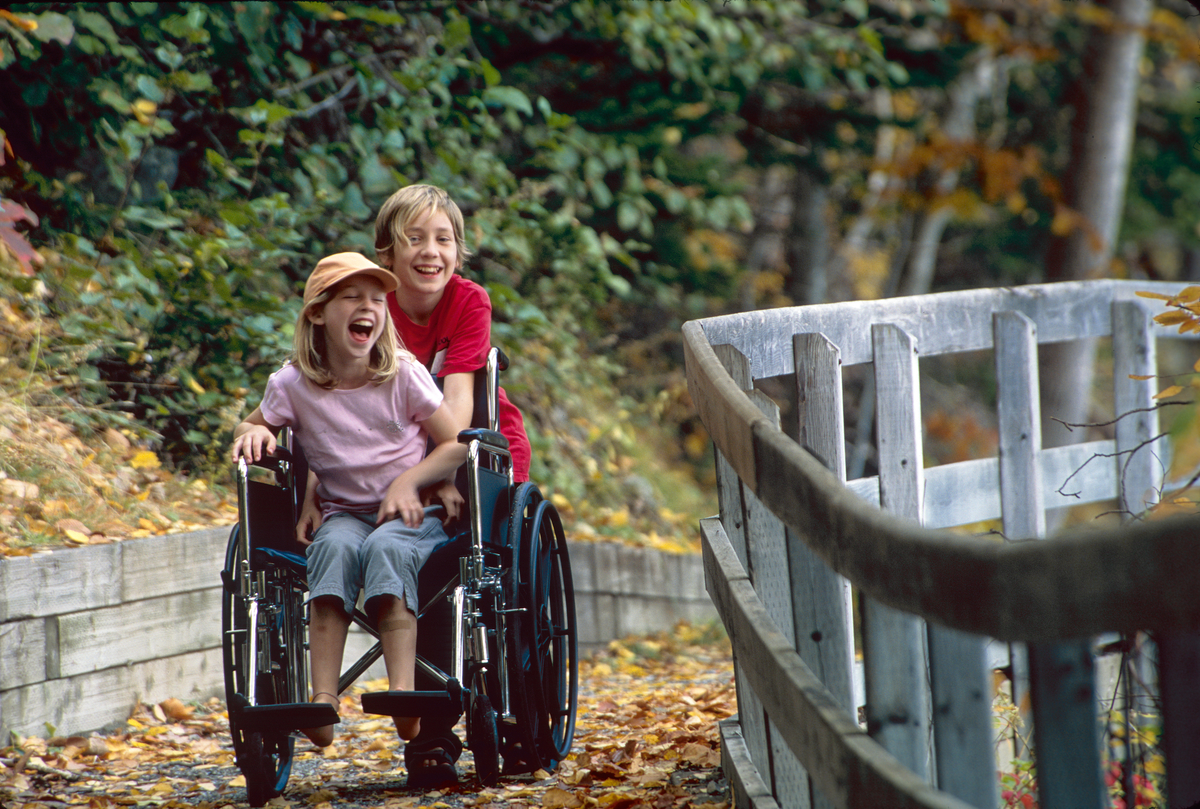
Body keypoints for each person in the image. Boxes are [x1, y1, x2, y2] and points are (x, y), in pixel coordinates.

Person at [230, 252, 467, 751]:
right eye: (353, 298)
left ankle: (404, 693)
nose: (370, 308)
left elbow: (456, 444)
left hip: (410, 512)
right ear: (318, 312)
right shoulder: (292, 384)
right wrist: (251, 435)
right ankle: (323, 700)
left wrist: (410, 482)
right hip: (344, 513)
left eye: (378, 300)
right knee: (331, 553)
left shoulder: (401, 373)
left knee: (388, 550)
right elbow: (251, 423)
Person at [372, 183, 535, 787]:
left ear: (459, 253)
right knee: (429, 564)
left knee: (479, 561)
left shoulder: (467, 302)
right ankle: (434, 735)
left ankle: (511, 703)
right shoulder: (370, 307)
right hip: (393, 457)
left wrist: (450, 474)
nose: (430, 251)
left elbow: (461, 406)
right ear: (386, 252)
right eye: (414, 238)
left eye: (443, 239)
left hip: (478, 447)